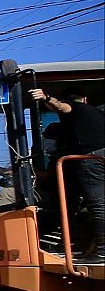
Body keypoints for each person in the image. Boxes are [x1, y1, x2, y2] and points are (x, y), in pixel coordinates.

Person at [31, 87, 105, 263]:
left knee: (99, 206)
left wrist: (46, 97)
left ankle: (102, 252)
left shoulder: (75, 108)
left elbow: (60, 107)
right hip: (98, 158)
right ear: (85, 98)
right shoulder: (99, 115)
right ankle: (76, 245)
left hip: (91, 158)